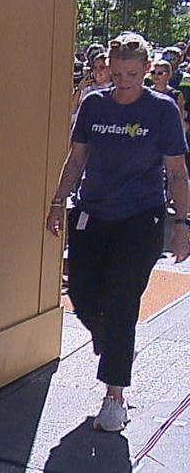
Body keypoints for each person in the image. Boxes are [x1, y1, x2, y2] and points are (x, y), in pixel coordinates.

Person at [45, 31, 190, 433]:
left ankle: (114, 396)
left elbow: (177, 172)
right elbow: (76, 160)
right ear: (107, 68)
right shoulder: (94, 104)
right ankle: (108, 338)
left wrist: (182, 223)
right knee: (83, 294)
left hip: (141, 218)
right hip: (92, 214)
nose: (124, 81)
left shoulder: (161, 111)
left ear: (146, 70)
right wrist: (58, 202)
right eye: (118, 73)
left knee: (123, 302)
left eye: (132, 74)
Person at [149, 59, 186, 130]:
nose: (155, 75)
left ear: (169, 74)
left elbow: (179, 119)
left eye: (160, 73)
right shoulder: (145, 92)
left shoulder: (176, 95)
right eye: (153, 72)